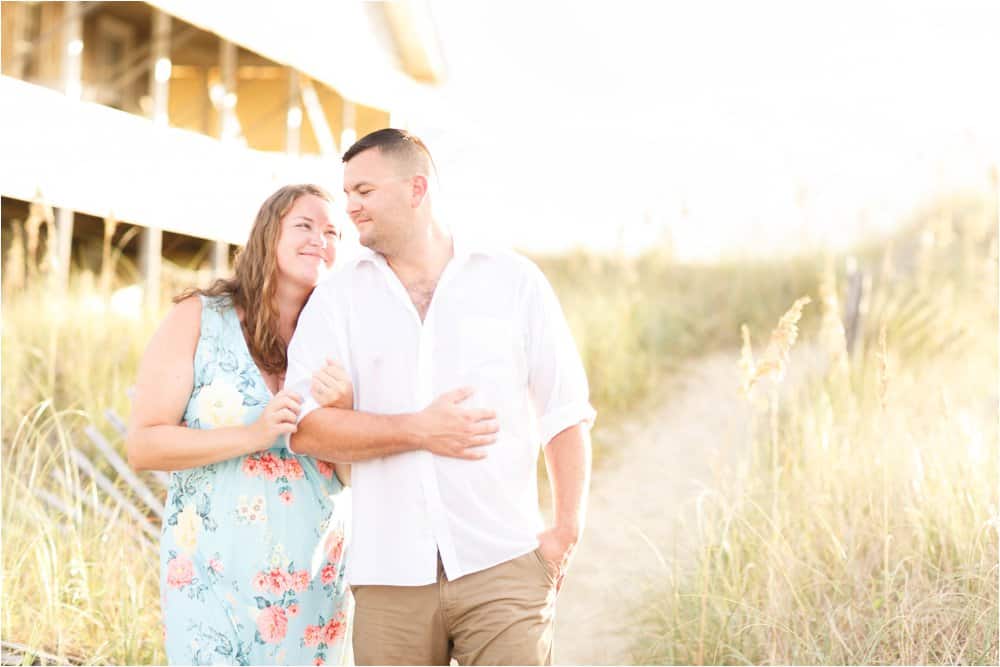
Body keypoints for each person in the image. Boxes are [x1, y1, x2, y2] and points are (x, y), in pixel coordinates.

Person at [126, 183, 497, 665]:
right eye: (304, 225)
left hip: (315, 580)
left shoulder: (342, 336)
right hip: (211, 580)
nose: (320, 239)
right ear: (267, 234)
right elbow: (144, 445)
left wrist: (343, 412)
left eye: (332, 231)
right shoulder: (198, 318)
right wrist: (251, 435)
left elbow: (348, 476)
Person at [285, 129, 595, 666]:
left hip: (503, 562)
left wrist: (565, 531)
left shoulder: (513, 280)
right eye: (348, 194)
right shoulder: (337, 299)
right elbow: (305, 428)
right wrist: (417, 428)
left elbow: (565, 412)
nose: (351, 208)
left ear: (416, 188)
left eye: (364, 191)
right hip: (388, 579)